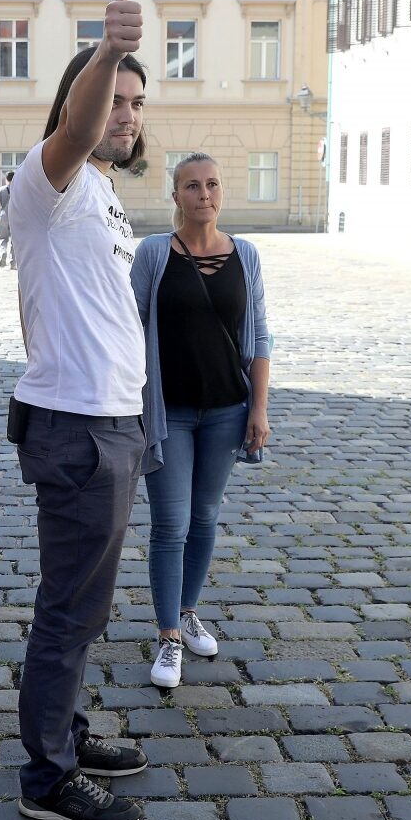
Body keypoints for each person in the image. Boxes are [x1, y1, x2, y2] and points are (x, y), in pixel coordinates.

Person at [11, 0, 152, 820]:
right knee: (66, 609)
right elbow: (77, 128)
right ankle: (48, 778)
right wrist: (109, 50)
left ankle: (65, 730)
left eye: (138, 102)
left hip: (114, 424)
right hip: (75, 428)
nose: (126, 114)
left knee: (87, 605)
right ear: (77, 108)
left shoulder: (101, 193)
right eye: (114, 101)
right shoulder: (47, 181)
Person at [131, 153, 271, 689]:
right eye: (192, 186)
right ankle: (169, 638)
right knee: (172, 524)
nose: (204, 195)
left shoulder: (247, 255)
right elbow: (128, 323)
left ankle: (188, 611)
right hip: (170, 412)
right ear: (176, 196)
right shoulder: (153, 254)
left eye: (212, 184)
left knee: (206, 517)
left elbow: (259, 335)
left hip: (226, 410)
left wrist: (258, 408)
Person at [0, 169, 16, 269]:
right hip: (16, 217)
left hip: (4, 216)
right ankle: (13, 262)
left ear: (6, 179)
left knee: (3, 237)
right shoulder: (18, 189)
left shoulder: (1, 189)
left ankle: (3, 252)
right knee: (15, 240)